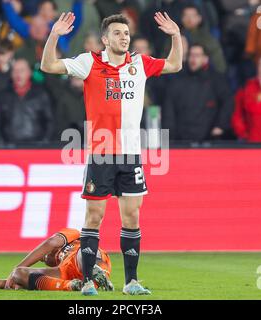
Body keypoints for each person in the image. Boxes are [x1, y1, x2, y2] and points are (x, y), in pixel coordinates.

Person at [40, 12, 183, 295]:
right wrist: (54, 35)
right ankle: (88, 281)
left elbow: (176, 64)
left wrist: (176, 36)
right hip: (101, 154)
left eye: (126, 33)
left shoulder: (140, 63)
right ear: (105, 39)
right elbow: (47, 66)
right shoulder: (89, 61)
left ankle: (131, 282)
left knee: (132, 217)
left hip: (131, 155)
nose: (124, 37)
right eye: (117, 33)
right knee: (94, 217)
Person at [0, 228, 113, 292]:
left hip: (86, 254)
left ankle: (97, 272)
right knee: (19, 274)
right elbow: (19, 280)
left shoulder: (73, 236)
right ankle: (72, 286)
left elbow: (50, 242)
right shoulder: (60, 267)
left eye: (44, 256)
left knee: (84, 252)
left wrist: (13, 269)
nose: (44, 258)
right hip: (68, 273)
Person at [163, 44, 234, 142]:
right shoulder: (177, 81)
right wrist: (170, 135)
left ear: (205, 59)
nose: (193, 59)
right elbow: (169, 111)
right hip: (182, 140)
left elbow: (228, 102)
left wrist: (220, 125)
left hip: (209, 140)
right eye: (191, 55)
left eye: (197, 55)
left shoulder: (217, 80)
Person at [0, 58, 54, 144]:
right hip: (9, 148)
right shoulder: (2, 96)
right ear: (11, 74)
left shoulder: (41, 94)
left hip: (36, 147)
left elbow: (50, 121)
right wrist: (2, 145)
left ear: (30, 72)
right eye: (15, 71)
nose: (18, 74)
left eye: (22, 70)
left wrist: (43, 143)